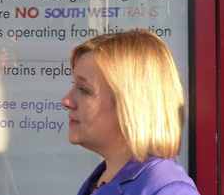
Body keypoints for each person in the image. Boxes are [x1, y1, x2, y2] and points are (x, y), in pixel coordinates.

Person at [61, 29, 200, 195]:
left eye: (84, 89)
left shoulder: (168, 189)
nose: (66, 101)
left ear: (129, 103)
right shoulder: (102, 178)